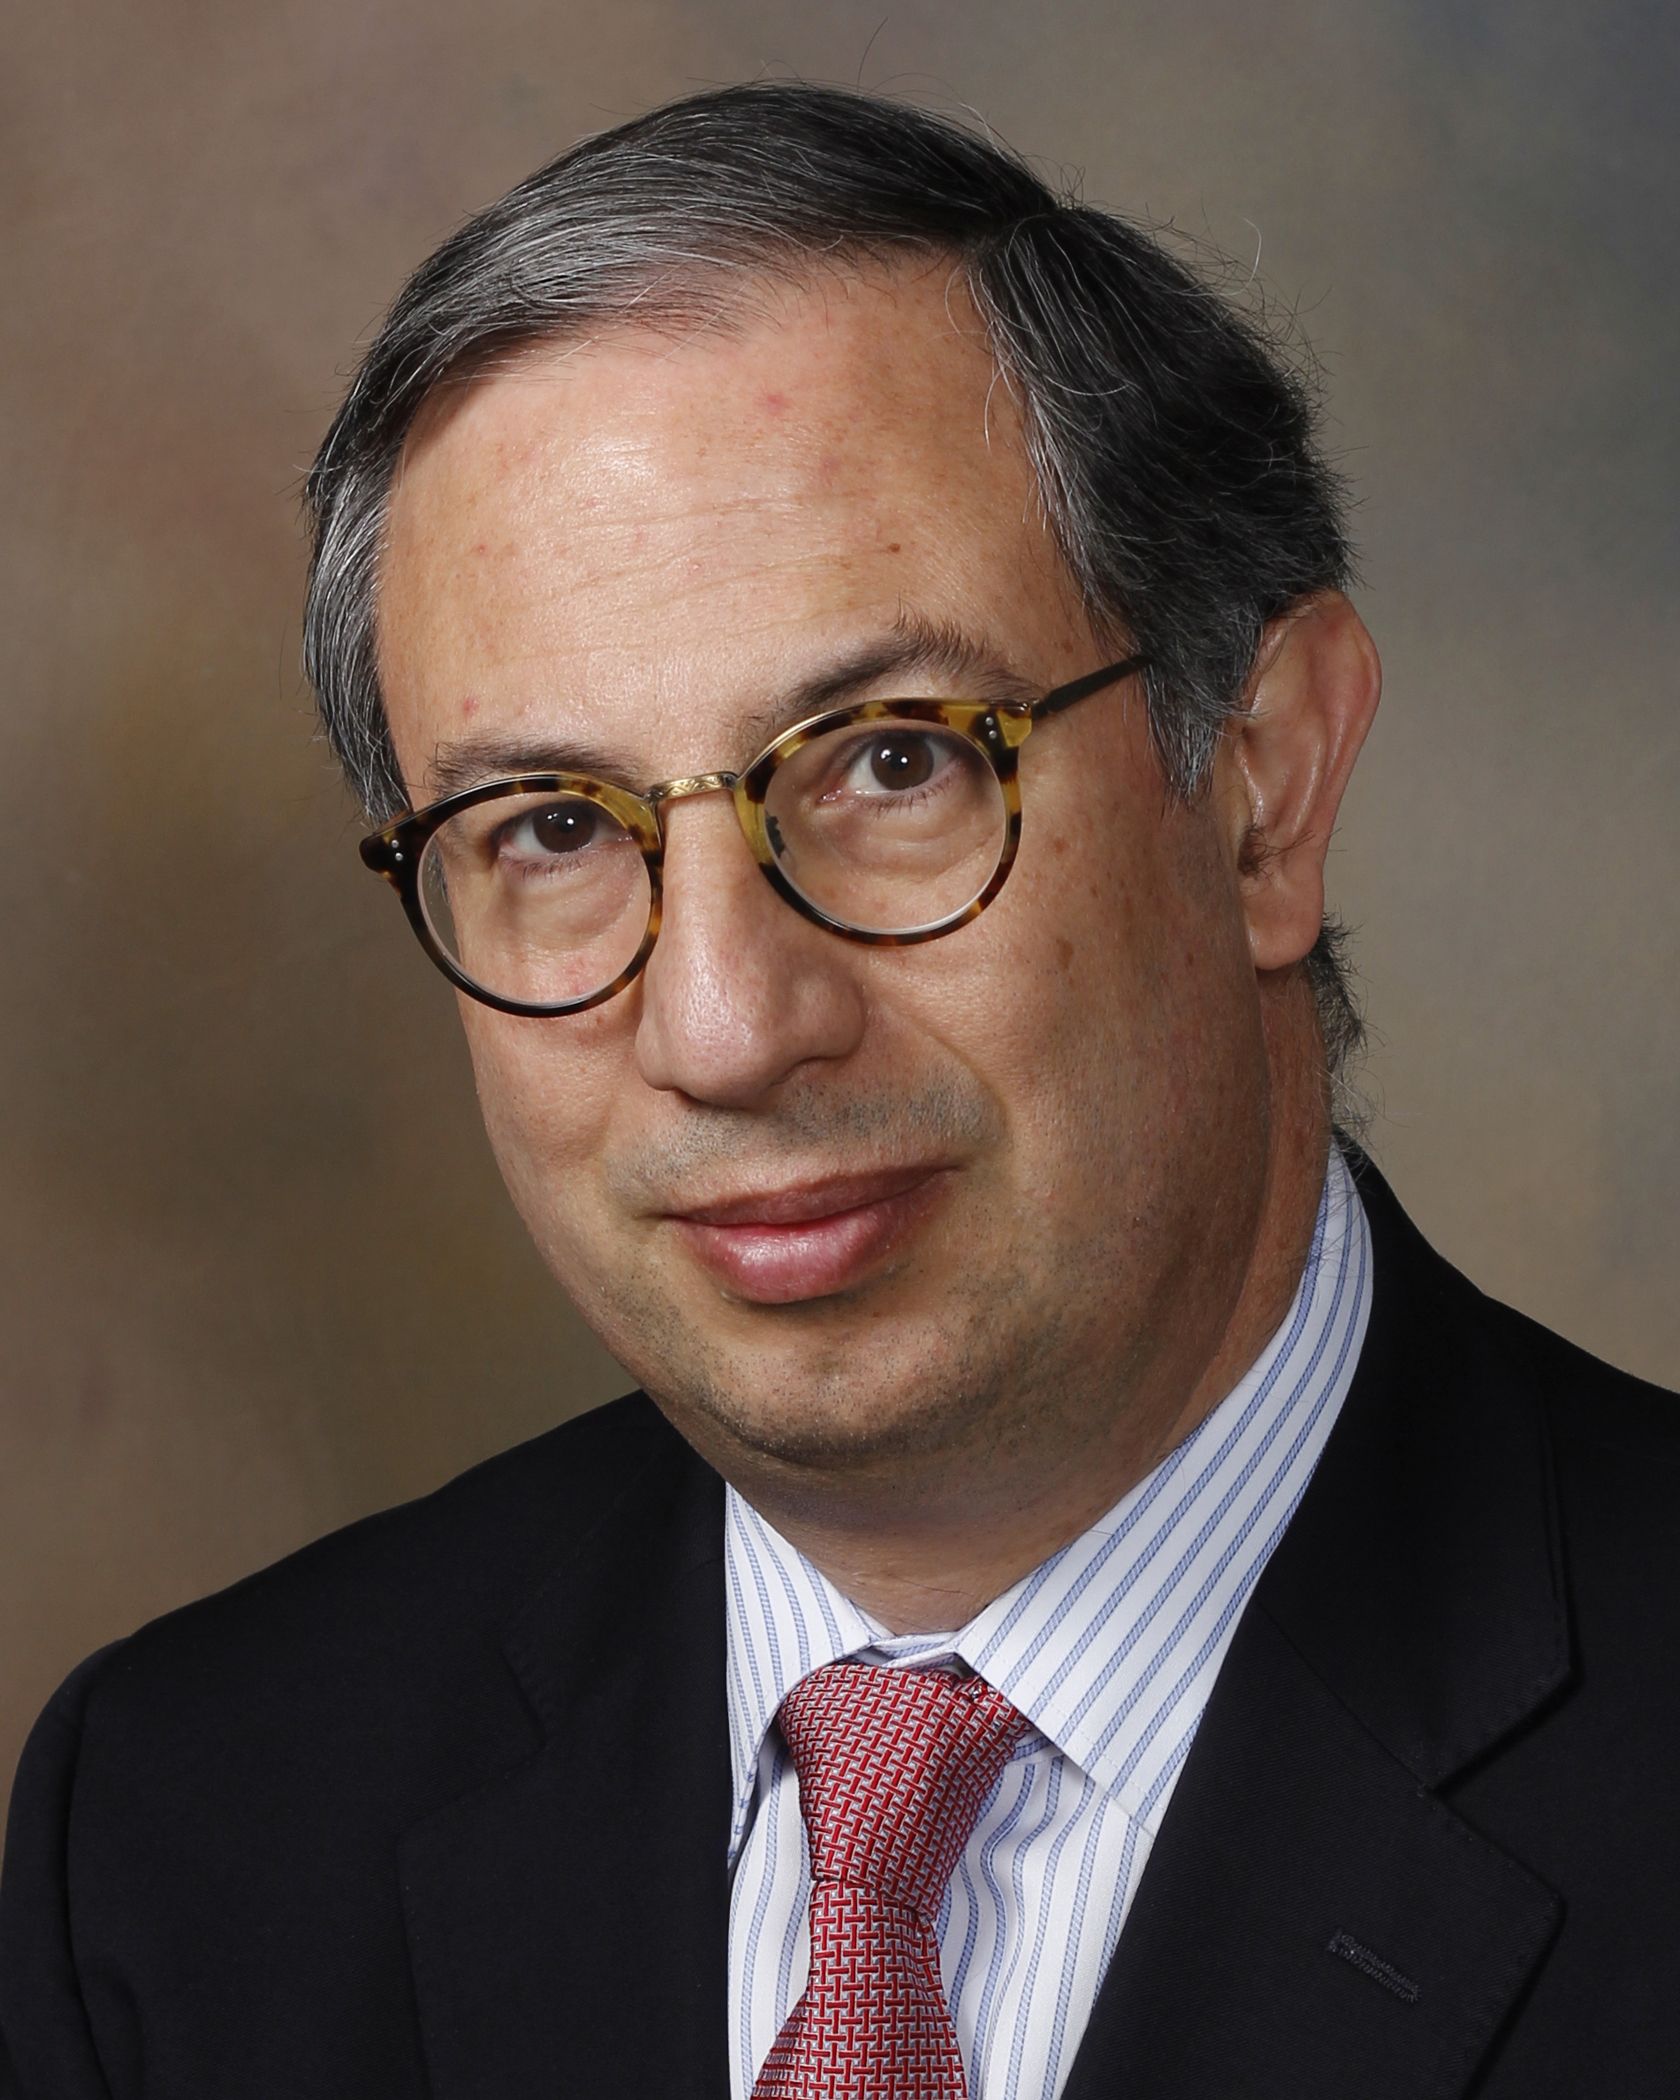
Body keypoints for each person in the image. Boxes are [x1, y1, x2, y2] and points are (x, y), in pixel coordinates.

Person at [1, 81, 1674, 2100]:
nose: (725, 1026)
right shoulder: (183, 1834)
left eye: (896, 761)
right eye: (552, 826)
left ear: (1263, 782)